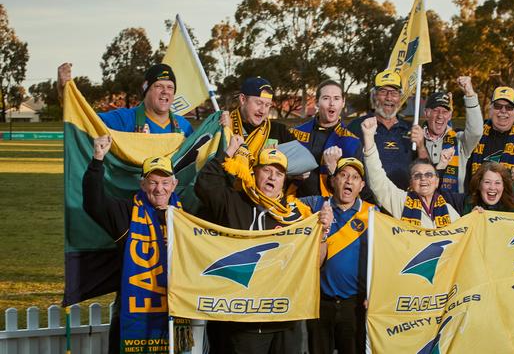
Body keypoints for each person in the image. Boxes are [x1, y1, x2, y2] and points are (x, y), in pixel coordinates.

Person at [194, 135, 333, 354]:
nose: (272, 177)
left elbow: (315, 263)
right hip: (244, 320)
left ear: (284, 180)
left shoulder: (297, 214)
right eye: (267, 170)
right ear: (254, 172)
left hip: (286, 319)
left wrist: (324, 232)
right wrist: (229, 152)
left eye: (279, 174)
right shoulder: (234, 202)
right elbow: (204, 185)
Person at [82, 135, 183, 354]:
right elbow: (94, 202)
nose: (159, 189)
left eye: (165, 182)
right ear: (142, 184)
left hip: (176, 307)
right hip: (133, 304)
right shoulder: (126, 213)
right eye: (153, 182)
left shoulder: (186, 217)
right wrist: (98, 159)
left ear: (174, 185)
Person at [299, 157, 376, 354]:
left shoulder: (373, 214)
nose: (349, 181)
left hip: (355, 304)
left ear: (362, 185)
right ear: (333, 181)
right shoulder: (315, 205)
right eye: (343, 175)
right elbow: (281, 205)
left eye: (355, 177)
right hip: (319, 301)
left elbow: (383, 258)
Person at [362, 117, 460, 228]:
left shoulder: (449, 210)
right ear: (411, 183)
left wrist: (479, 214)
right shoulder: (401, 202)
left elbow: (463, 234)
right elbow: (377, 181)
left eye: (429, 175)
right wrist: (369, 137)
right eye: (417, 175)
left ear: (437, 182)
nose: (423, 178)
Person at [57, 62, 193, 137]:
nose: (165, 92)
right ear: (146, 89)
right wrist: (64, 90)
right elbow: (83, 120)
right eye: (158, 86)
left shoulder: (184, 127)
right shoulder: (123, 119)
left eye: (170, 87)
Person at [288, 79, 362, 197]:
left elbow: (354, 189)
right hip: (296, 204)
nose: (332, 103)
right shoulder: (294, 134)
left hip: (332, 207)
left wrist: (333, 170)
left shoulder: (352, 142)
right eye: (326, 98)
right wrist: (290, 174)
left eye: (336, 98)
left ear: (343, 103)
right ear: (317, 103)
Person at [348, 69, 417, 190]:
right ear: (374, 96)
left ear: (400, 98)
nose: (389, 97)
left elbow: (424, 167)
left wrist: (421, 145)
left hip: (403, 201)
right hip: (367, 203)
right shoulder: (357, 126)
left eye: (394, 93)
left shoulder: (411, 128)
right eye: (383, 91)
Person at [411, 76, 483, 193]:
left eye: (445, 112)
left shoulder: (459, 141)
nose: (440, 116)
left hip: (452, 207)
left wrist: (470, 94)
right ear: (427, 113)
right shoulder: (414, 139)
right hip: (420, 206)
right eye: (436, 110)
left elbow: (476, 132)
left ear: (449, 116)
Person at [221, 76, 296, 162]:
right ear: (242, 99)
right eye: (259, 103)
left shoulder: (280, 131)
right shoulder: (223, 126)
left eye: (267, 105)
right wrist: (224, 131)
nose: (263, 111)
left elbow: (303, 159)